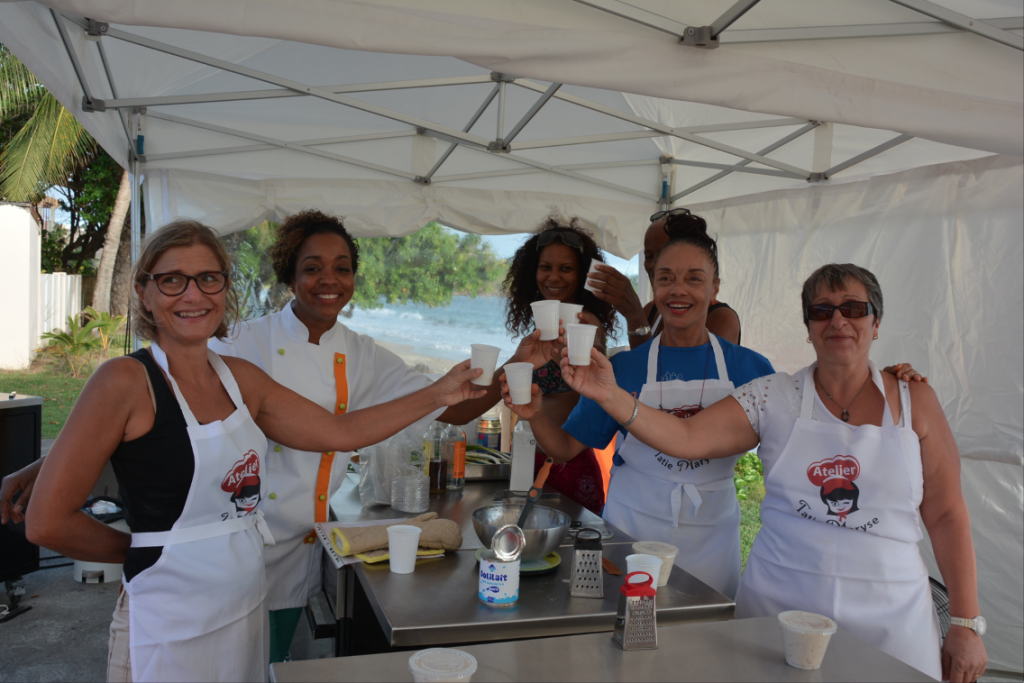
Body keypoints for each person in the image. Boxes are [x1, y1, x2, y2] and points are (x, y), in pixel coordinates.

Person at [10, 219, 484, 683]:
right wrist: (152, 553)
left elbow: (339, 433)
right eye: (173, 280)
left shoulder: (241, 378)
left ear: (225, 288)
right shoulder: (124, 381)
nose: (193, 295)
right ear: (144, 292)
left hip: (244, 606)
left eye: (208, 278)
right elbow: (47, 521)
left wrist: (440, 392)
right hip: (168, 619)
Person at [556, 262, 987, 682]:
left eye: (853, 308)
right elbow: (685, 438)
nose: (837, 320)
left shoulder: (916, 401)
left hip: (893, 616)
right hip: (780, 610)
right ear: (808, 327)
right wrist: (610, 395)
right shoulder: (773, 395)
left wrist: (966, 624)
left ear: (876, 323)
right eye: (821, 310)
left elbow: (947, 514)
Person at [207, 209, 561, 662]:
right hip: (242, 541)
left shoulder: (360, 352)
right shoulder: (242, 340)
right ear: (289, 276)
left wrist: (517, 359)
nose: (328, 280)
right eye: (312, 268)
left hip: (303, 543)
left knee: (273, 664)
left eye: (342, 268)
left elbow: (450, 407)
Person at [502, 225, 773, 598]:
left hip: (712, 537)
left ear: (715, 289)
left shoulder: (751, 370)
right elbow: (564, 448)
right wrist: (533, 414)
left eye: (694, 279)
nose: (678, 290)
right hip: (630, 531)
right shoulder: (623, 368)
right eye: (666, 278)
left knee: (703, 640)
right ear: (654, 288)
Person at [502, 217, 618, 513]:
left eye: (566, 269)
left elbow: (593, 394)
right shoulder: (540, 326)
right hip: (529, 457)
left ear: (582, 275)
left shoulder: (587, 325)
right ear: (533, 272)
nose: (554, 277)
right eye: (546, 267)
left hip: (567, 463)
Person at [585, 208, 742, 346]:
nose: (654, 265)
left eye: (662, 254)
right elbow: (639, 370)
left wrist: (634, 314)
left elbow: (694, 373)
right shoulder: (651, 310)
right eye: (648, 256)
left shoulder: (722, 318)